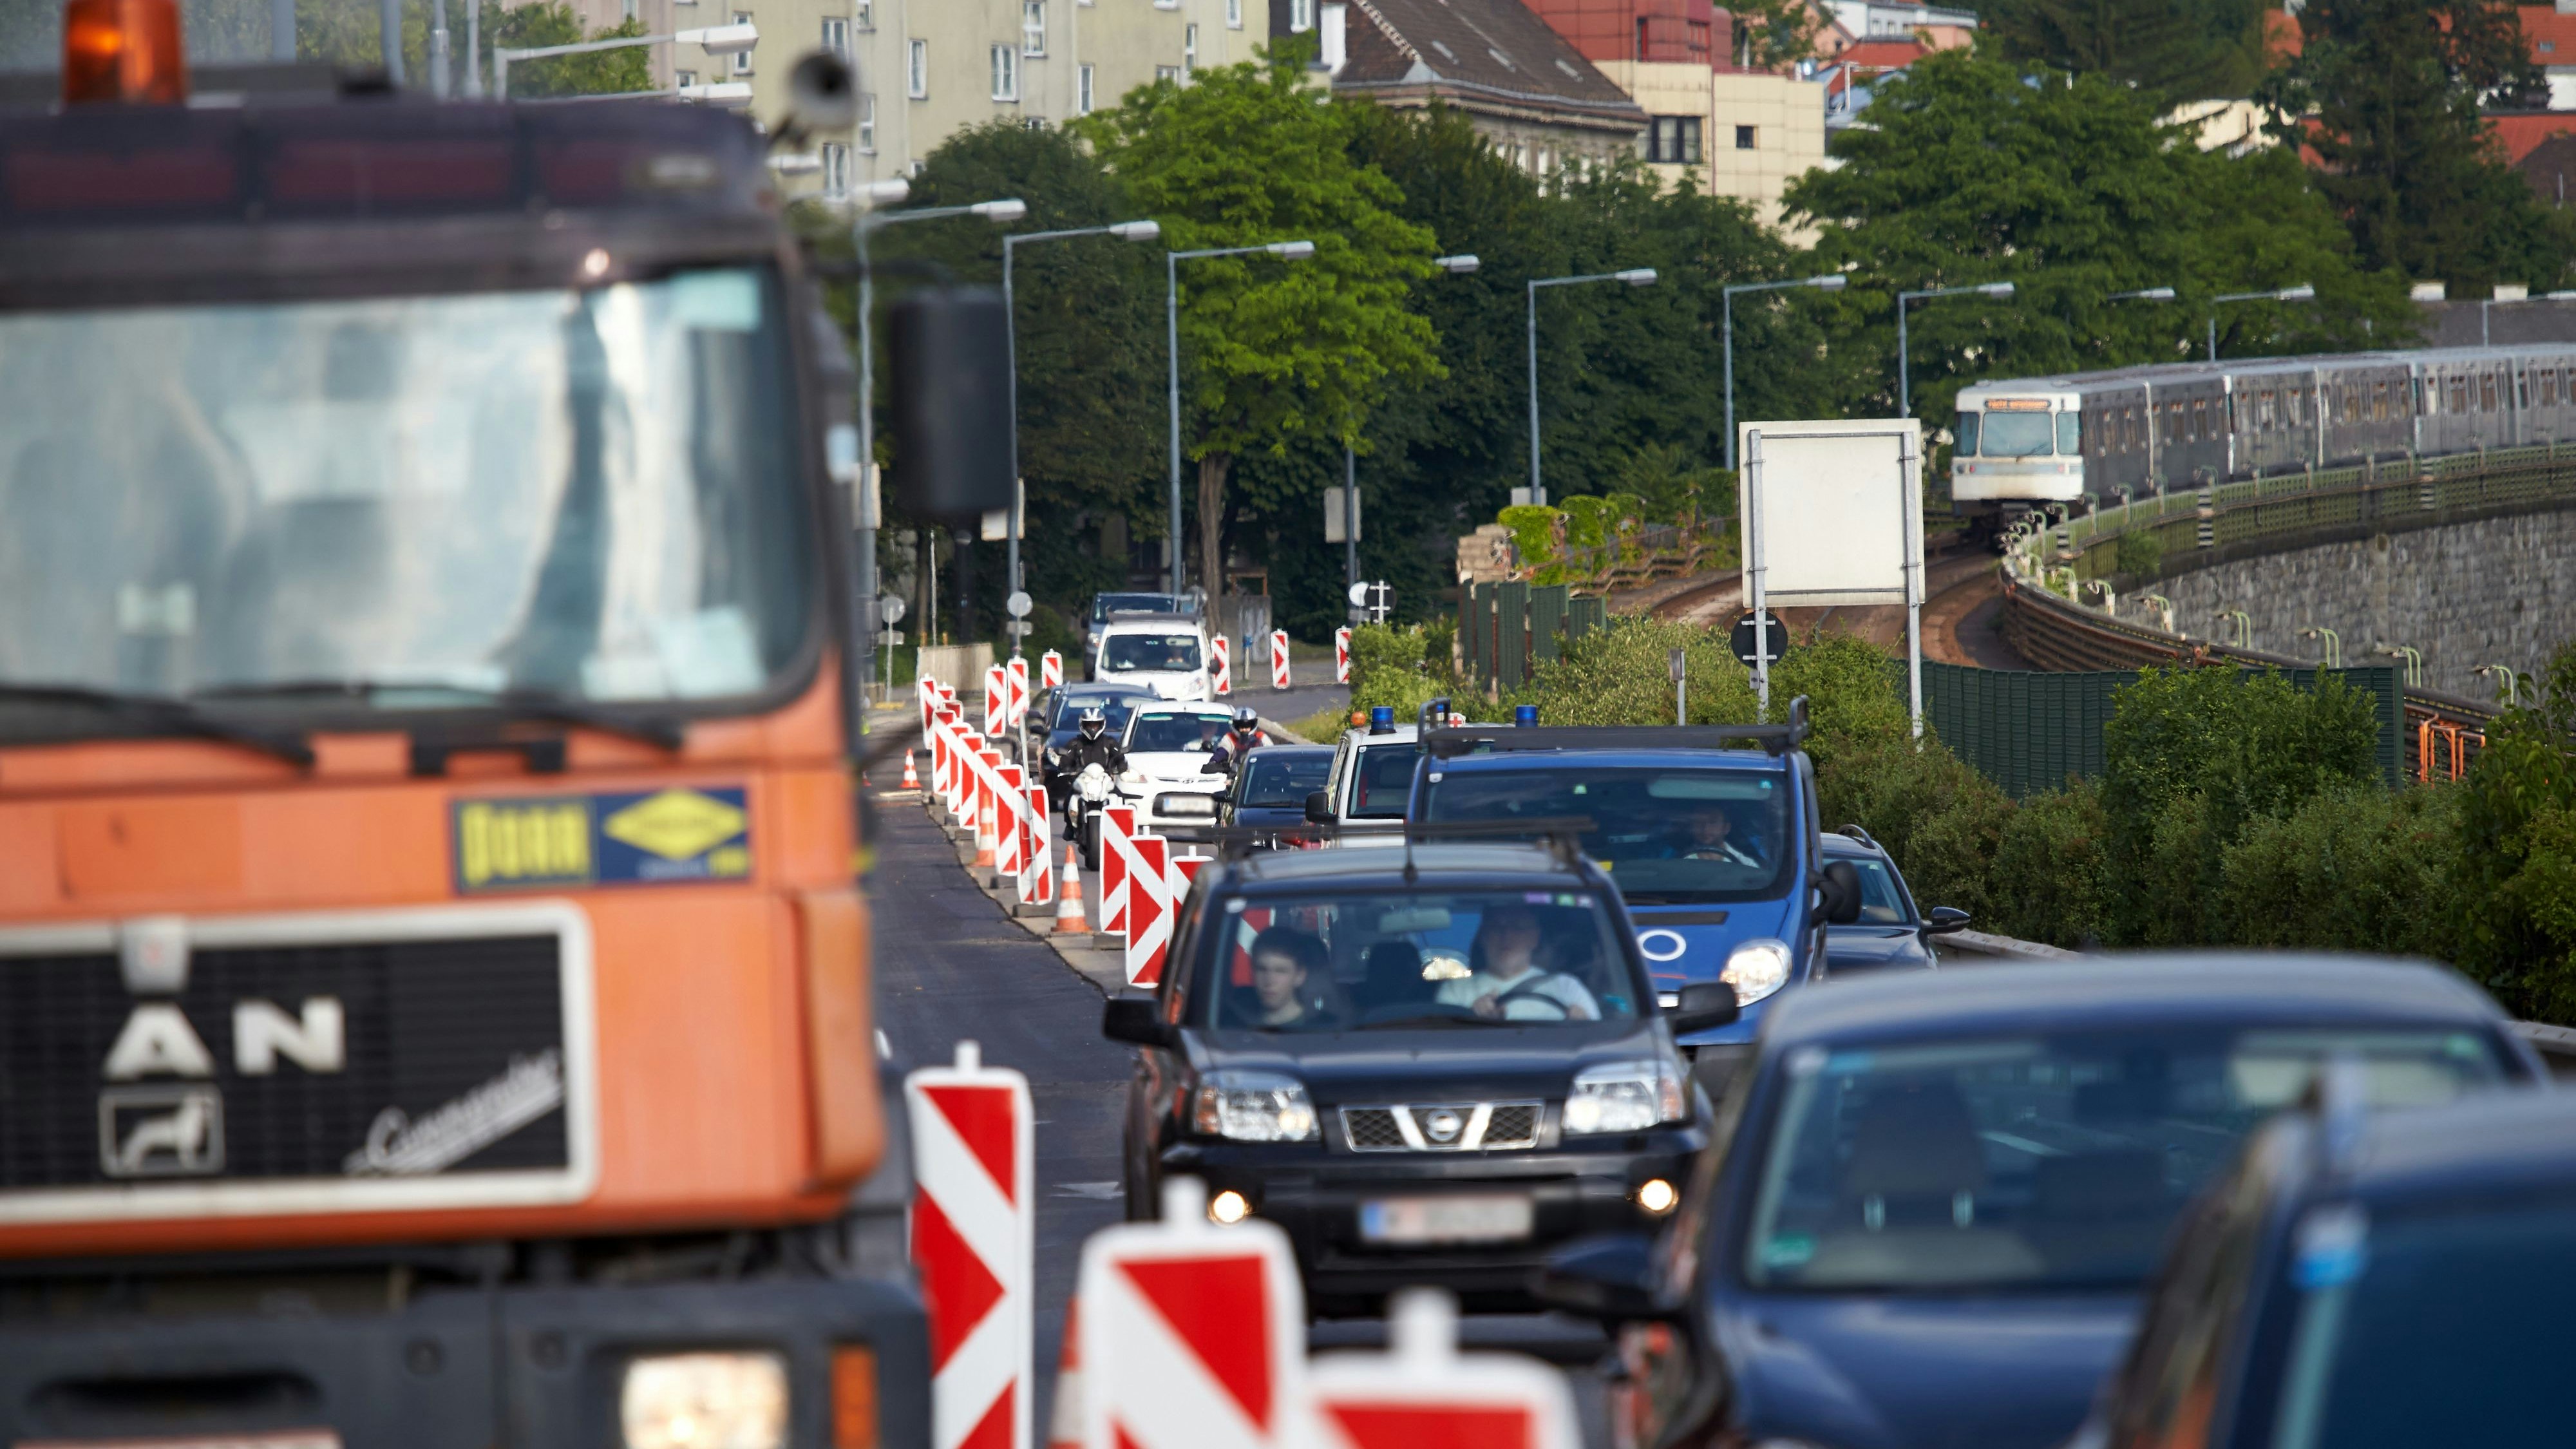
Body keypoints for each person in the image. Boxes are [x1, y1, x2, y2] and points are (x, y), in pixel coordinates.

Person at [1436, 904, 1598, 1021]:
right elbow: (1444, 1047)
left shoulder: (1566, 987)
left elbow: (1599, 1042)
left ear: (1534, 938)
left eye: (1518, 928)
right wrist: (1473, 1020)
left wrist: (1582, 1023)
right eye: (1496, 927)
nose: (1506, 935)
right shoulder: (1456, 991)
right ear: (1483, 936)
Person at [1244, 927, 1329, 1028]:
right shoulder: (1234, 1023)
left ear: (1299, 976)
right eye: (1262, 969)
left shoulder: (1321, 1029)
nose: (1269, 981)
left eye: (1280, 971)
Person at [1674, 805, 1761, 868]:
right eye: (1698, 822)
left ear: (1726, 828)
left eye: (1713, 822)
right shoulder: (1680, 863)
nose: (1705, 829)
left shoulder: (1745, 864)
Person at [1203, 706, 1271, 777]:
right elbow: (1223, 751)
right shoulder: (1230, 738)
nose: (1244, 730)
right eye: (1241, 727)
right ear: (1236, 726)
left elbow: (1272, 755)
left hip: (1260, 775)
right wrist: (1214, 762)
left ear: (1253, 725)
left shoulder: (1261, 737)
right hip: (1236, 776)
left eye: (1247, 726)